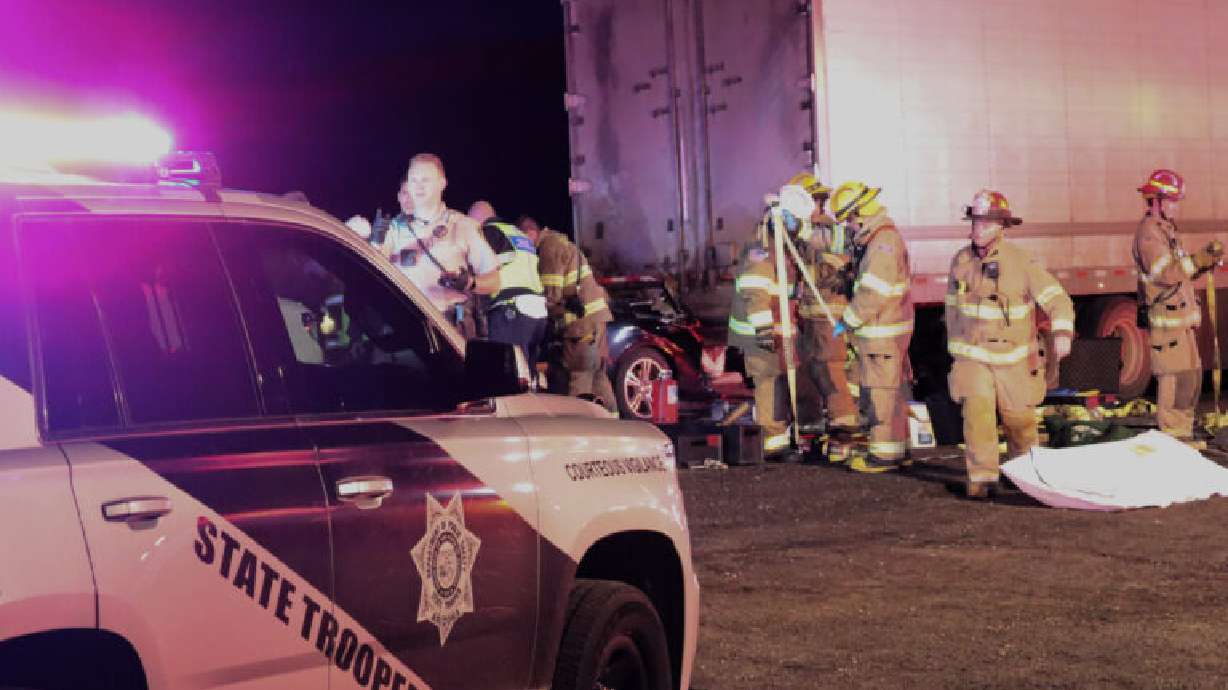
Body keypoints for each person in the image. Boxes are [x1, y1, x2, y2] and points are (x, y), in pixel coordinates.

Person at [945, 190, 1075, 499]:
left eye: (986, 223)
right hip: (973, 358)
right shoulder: (961, 260)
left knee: (1020, 422)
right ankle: (983, 479)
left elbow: (1057, 299)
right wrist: (956, 349)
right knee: (977, 416)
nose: (978, 229)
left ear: (1001, 227)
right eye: (976, 222)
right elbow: (952, 309)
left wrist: (1062, 332)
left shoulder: (1020, 262)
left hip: (1012, 360)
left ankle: (1025, 475)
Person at [352, 154, 499, 338]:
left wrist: (470, 283)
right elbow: (373, 266)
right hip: (408, 329)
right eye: (413, 180)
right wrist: (369, 238)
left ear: (442, 183)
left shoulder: (462, 225)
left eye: (425, 180)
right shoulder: (394, 228)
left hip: (451, 329)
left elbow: (494, 281)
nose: (418, 186)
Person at [829, 181, 914, 473]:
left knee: (881, 395)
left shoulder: (882, 244)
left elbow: (872, 293)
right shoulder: (878, 239)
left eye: (849, 220)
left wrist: (847, 321)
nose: (850, 226)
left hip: (881, 334)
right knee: (892, 393)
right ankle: (897, 450)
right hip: (885, 332)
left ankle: (882, 456)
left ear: (860, 214)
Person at [1133, 169, 1223, 439]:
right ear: (1156, 201)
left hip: (1181, 326)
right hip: (1167, 329)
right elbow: (1166, 274)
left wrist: (1204, 263)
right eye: (1171, 201)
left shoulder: (1166, 230)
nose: (1176, 207)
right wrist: (1198, 259)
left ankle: (1182, 436)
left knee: (1189, 382)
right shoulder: (1149, 234)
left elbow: (1182, 273)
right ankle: (1173, 440)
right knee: (1174, 385)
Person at [726, 188, 808, 463]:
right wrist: (763, 330)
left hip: (775, 332)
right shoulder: (761, 251)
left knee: (777, 383)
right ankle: (772, 443)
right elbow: (755, 292)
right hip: (759, 334)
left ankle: (779, 436)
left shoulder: (776, 249)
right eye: (794, 222)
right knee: (768, 383)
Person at [788, 172, 861, 461]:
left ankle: (845, 433)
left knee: (832, 372)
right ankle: (816, 430)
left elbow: (829, 261)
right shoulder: (800, 231)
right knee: (812, 372)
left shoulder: (831, 232)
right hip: (809, 316)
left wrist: (799, 231)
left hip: (829, 314)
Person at [517, 216, 617, 413]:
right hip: (596, 320)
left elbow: (550, 294)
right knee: (598, 377)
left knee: (578, 376)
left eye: (522, 240)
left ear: (530, 234)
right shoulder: (560, 242)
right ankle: (613, 420)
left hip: (580, 325)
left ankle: (576, 424)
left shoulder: (548, 247)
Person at [468, 201, 548, 367]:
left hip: (511, 310)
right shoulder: (517, 233)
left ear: (476, 220)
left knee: (508, 370)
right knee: (527, 370)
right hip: (537, 312)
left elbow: (478, 271)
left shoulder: (487, 232)